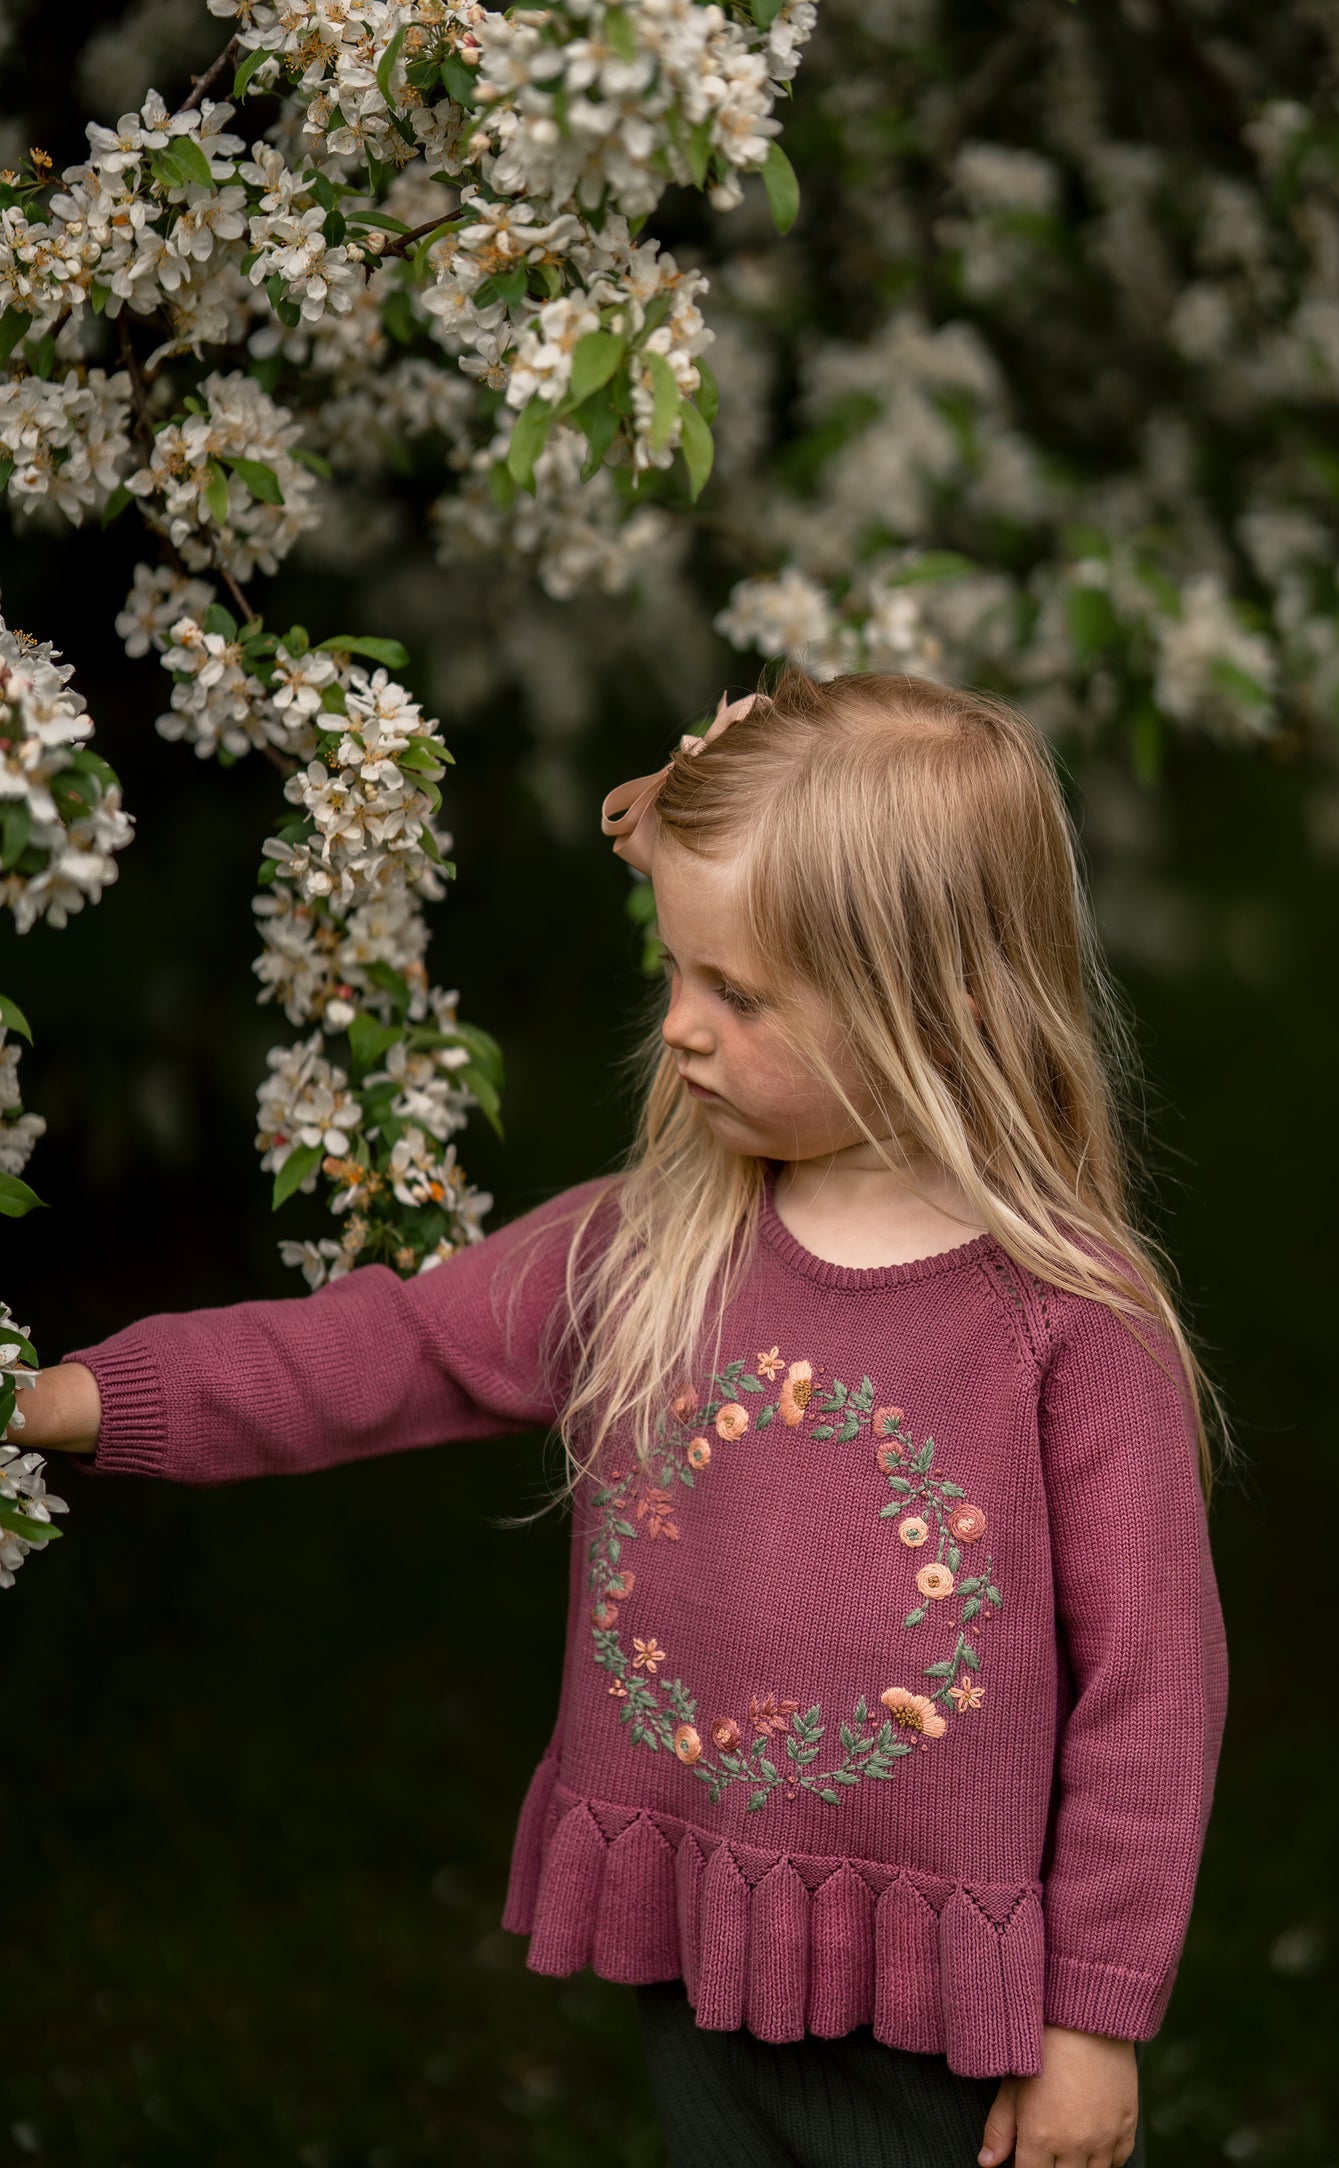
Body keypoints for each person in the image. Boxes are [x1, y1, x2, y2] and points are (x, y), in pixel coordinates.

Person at [19, 669, 1228, 2168]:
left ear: (942, 1000)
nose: (680, 1031)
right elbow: (390, 1350)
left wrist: (1091, 2019)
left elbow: (1150, 1695)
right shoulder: (653, 1247)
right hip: (702, 1950)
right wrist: (68, 1399)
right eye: (675, 973)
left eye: (738, 994)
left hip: (947, 2013)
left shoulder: (1064, 1321)